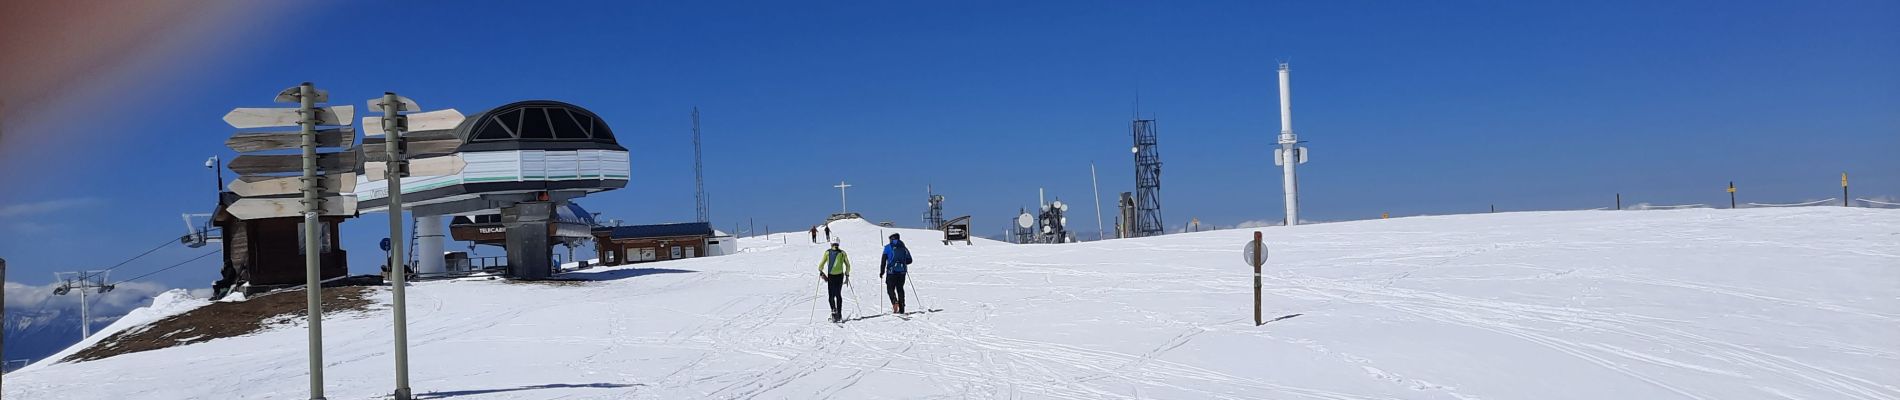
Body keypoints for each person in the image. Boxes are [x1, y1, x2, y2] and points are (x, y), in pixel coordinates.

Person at [817, 240, 852, 322]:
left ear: (831, 244)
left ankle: (833, 310)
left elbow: (821, 265)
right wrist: (847, 274)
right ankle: (839, 314)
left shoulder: (827, 252)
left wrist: (821, 271)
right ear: (838, 244)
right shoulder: (842, 253)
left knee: (831, 295)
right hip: (840, 276)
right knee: (838, 294)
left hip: (831, 276)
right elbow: (848, 265)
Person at [880, 233, 913, 314]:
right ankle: (902, 307)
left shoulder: (888, 247)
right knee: (900, 288)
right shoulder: (903, 247)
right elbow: (910, 260)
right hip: (902, 272)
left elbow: (883, 260)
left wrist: (882, 271)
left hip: (891, 272)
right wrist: (902, 263)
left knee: (890, 288)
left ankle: (894, 302)